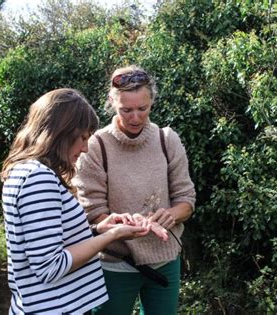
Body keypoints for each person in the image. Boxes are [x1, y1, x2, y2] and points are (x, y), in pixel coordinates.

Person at [0, 88, 151, 314]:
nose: (85, 148)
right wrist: (113, 236)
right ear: (60, 133)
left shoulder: (24, 172)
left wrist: (99, 229)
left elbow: (50, 242)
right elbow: (51, 267)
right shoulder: (38, 178)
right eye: (82, 138)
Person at [73, 65, 196, 315]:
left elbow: (187, 199)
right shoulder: (96, 146)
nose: (135, 118)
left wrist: (172, 214)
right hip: (114, 264)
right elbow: (92, 212)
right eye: (126, 110)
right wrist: (121, 227)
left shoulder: (167, 139)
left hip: (165, 261)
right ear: (111, 101)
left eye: (143, 109)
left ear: (152, 101)